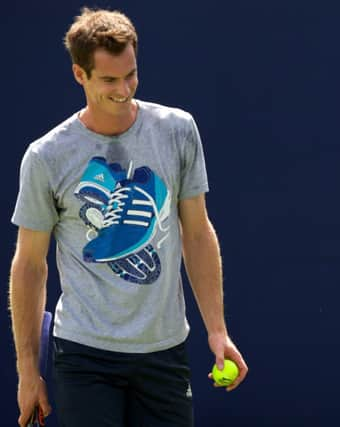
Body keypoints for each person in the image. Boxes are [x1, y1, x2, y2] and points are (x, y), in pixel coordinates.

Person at [9, 7, 248, 427]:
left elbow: (196, 232)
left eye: (131, 75)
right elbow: (29, 266)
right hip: (84, 355)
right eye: (109, 80)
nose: (124, 89)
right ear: (79, 75)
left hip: (165, 351)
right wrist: (28, 372)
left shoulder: (178, 129)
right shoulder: (45, 156)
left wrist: (217, 330)